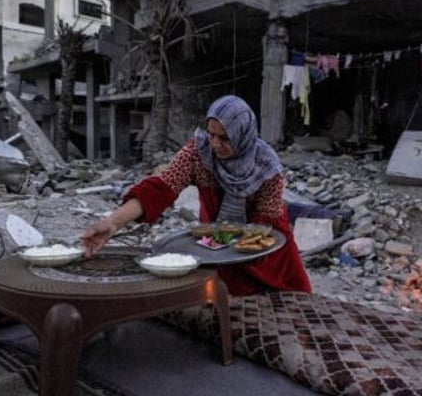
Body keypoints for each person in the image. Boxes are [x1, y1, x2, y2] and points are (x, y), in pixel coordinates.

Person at [81, 95, 312, 296]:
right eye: (211, 134)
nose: (214, 144)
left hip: (266, 256)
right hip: (216, 249)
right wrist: (113, 223)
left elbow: (265, 229)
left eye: (224, 138)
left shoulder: (266, 165)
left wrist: (235, 246)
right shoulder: (198, 153)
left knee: (290, 314)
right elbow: (160, 189)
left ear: (242, 135)